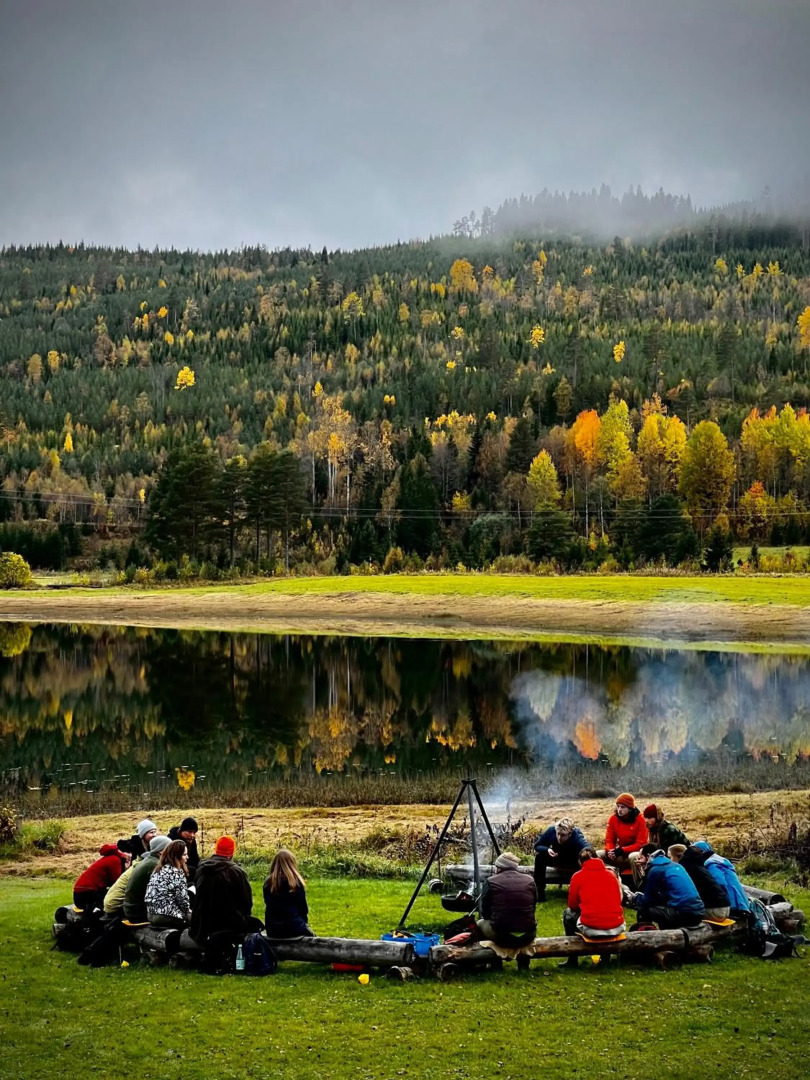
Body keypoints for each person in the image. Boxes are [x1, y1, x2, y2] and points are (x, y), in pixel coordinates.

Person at [560, 847, 626, 968]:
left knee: (568, 914)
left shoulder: (578, 876)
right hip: (616, 925)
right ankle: (605, 958)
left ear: (580, 862)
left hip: (592, 927)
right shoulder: (611, 875)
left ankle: (572, 957)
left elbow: (572, 905)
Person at [190, 835, 254, 946]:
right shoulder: (236, 872)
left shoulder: (201, 868)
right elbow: (246, 903)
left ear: (216, 849)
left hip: (201, 926)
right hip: (228, 925)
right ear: (232, 852)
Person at [626, 844, 705, 929]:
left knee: (644, 909)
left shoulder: (656, 870)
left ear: (648, 856)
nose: (639, 861)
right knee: (662, 908)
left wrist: (634, 898)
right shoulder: (676, 865)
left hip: (684, 914)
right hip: (698, 912)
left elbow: (648, 900)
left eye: (641, 857)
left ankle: (647, 936)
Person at [476, 852, 537, 949]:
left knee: (479, 923)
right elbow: (533, 906)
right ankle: (524, 962)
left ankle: (493, 961)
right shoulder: (530, 880)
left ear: (499, 867)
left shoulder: (491, 881)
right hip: (528, 934)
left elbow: (485, 912)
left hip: (502, 936)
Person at [669, 844, 730, 920]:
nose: (669, 861)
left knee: (676, 914)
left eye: (670, 857)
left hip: (715, 910)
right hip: (725, 907)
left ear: (676, 856)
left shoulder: (684, 868)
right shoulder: (697, 865)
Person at [533, 817, 589, 901]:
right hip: (557, 858)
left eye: (562, 835)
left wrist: (582, 857)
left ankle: (583, 892)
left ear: (570, 833)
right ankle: (539, 891)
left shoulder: (576, 836)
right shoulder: (551, 831)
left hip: (573, 861)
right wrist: (547, 849)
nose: (559, 837)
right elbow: (537, 845)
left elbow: (588, 848)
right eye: (558, 834)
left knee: (585, 859)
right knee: (540, 858)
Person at [691, 841, 751, 918]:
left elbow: (720, 883)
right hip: (742, 902)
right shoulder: (721, 860)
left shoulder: (711, 864)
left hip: (733, 905)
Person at [263, 849, 314, 938]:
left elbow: (268, 904)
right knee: (314, 940)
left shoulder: (268, 884)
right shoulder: (296, 883)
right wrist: (304, 924)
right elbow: (303, 909)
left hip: (273, 928)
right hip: (294, 926)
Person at [123, 835, 171, 923]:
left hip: (131, 909)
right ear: (161, 852)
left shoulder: (149, 860)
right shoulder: (155, 865)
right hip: (137, 913)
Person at [145, 840, 192, 929]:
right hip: (167, 916)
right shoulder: (176, 872)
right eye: (184, 855)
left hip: (151, 914)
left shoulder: (158, 869)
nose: (187, 857)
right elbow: (183, 901)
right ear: (176, 857)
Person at [601, 794, 648, 876]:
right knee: (598, 854)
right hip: (619, 854)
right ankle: (607, 877)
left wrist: (621, 850)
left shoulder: (641, 819)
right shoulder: (613, 819)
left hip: (636, 853)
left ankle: (639, 882)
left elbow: (640, 844)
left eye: (623, 807)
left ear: (630, 808)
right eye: (618, 806)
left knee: (633, 856)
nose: (619, 810)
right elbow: (609, 840)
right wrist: (611, 851)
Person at [73, 843, 130, 911]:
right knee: (113, 900)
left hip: (78, 892)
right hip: (89, 891)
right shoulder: (115, 860)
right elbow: (117, 881)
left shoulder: (106, 859)